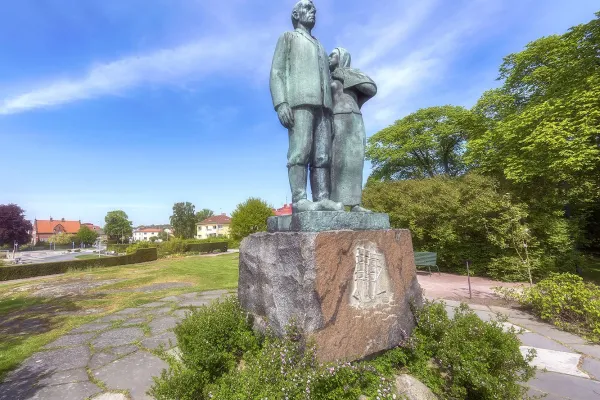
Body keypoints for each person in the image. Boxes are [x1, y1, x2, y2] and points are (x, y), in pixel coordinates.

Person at [270, 0, 342, 213]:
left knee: (322, 155)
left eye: (314, 9)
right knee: (300, 151)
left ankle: (322, 198)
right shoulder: (288, 38)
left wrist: (331, 110)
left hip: (323, 106)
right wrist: (281, 102)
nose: (313, 12)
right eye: (308, 9)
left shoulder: (319, 44)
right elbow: (277, 72)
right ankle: (300, 199)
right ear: (296, 14)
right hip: (299, 101)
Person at [329, 47, 377, 211]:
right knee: (337, 161)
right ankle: (337, 202)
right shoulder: (326, 78)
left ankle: (356, 203)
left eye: (333, 55)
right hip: (336, 118)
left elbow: (371, 89)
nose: (329, 58)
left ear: (342, 57)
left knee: (355, 162)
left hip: (355, 119)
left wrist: (345, 75)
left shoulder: (351, 74)